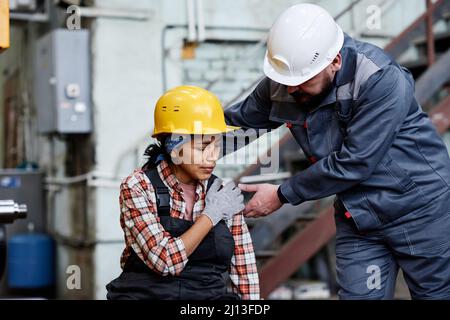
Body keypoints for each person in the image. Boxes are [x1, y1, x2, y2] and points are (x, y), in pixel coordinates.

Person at [224, 3, 450, 299]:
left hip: (421, 212)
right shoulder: (287, 82)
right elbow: (237, 126)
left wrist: (281, 195)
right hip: (358, 218)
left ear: (335, 61)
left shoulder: (380, 79)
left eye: (303, 82)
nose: (292, 91)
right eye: (286, 82)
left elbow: (354, 162)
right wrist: (178, 148)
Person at [106, 86, 260, 300]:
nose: (212, 157)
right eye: (202, 147)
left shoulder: (222, 193)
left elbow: (244, 268)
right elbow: (165, 261)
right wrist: (210, 216)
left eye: (216, 146)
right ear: (173, 146)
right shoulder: (138, 187)